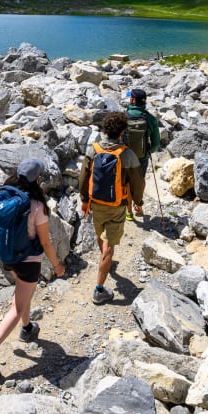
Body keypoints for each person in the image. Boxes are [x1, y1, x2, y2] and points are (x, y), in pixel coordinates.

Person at [0, 159, 65, 376]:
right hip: (28, 261)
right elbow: (45, 242)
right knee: (16, 307)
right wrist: (57, 265)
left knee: (23, 292)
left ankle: (27, 328)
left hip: (6, 258)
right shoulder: (36, 205)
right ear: (37, 179)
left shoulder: (3, 197)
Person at [78, 112, 145, 305]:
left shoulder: (94, 150)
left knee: (101, 237)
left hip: (96, 204)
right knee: (109, 248)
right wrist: (138, 202)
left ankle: (104, 261)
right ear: (122, 132)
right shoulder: (128, 154)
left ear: (105, 129)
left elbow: (83, 178)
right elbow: (137, 183)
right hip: (117, 207)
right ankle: (99, 289)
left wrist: (84, 200)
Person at [125, 88, 160, 221]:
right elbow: (156, 143)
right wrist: (148, 152)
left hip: (126, 157)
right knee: (140, 181)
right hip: (142, 157)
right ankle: (138, 204)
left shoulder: (123, 116)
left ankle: (128, 212)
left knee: (127, 183)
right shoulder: (150, 118)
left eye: (130, 97)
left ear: (133, 100)